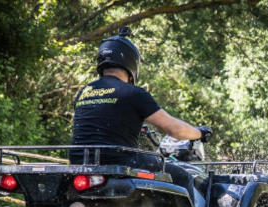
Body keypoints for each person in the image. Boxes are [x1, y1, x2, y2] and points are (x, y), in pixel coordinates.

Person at [69, 27, 211, 188]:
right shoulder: (133, 93)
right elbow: (174, 130)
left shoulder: (84, 92)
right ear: (131, 63)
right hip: (120, 160)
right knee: (183, 176)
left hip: (79, 162)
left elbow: (99, 121)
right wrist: (199, 133)